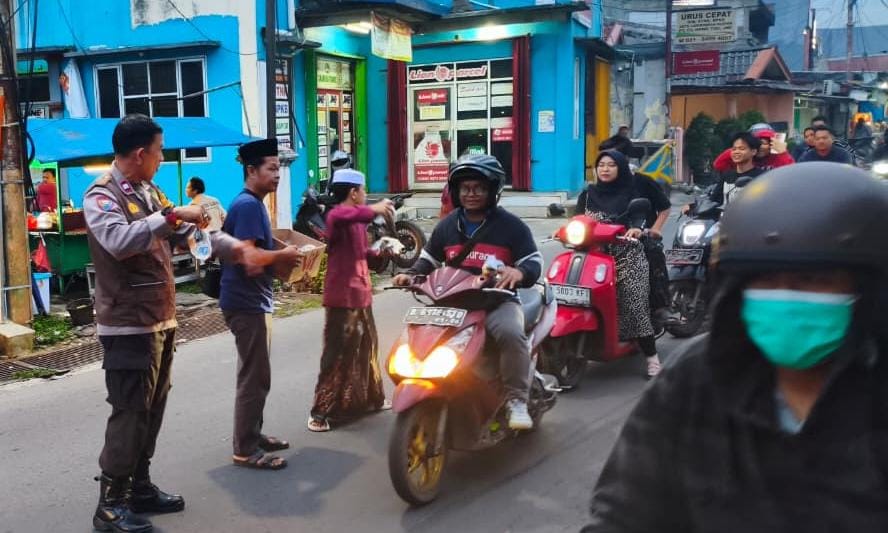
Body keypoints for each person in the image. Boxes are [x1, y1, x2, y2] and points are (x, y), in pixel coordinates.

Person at [582, 163, 888, 532]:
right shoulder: (696, 377)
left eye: (814, 279)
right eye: (766, 279)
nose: (785, 298)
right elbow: (623, 513)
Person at [84, 114, 260, 533]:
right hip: (127, 324)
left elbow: (183, 235)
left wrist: (234, 247)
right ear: (140, 154)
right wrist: (171, 215)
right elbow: (119, 241)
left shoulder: (150, 191)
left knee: (152, 409)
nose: (162, 159)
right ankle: (110, 504)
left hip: (159, 319)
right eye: (159, 151)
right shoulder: (101, 195)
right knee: (130, 411)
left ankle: (139, 488)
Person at [392, 154, 543, 429]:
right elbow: (429, 259)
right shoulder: (448, 225)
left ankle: (516, 400)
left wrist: (519, 272)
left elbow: (533, 261)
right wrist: (411, 274)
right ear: (456, 191)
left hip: (496, 302)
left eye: (479, 188)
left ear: (492, 190)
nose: (471, 194)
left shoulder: (511, 226)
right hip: (453, 303)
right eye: (465, 188)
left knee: (510, 333)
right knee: (418, 337)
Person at [221, 138, 304, 470]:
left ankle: (252, 435)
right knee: (254, 377)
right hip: (246, 303)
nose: (277, 175)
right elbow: (251, 260)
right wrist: (283, 256)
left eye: (279, 168)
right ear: (251, 170)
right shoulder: (249, 206)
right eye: (271, 168)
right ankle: (245, 449)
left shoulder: (251, 204)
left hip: (250, 300)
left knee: (255, 373)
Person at [307, 169, 394, 432]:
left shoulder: (357, 221)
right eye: (363, 190)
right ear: (354, 192)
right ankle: (319, 413)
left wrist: (381, 250)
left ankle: (373, 399)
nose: (365, 194)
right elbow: (349, 215)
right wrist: (376, 209)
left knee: (368, 348)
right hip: (341, 297)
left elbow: (361, 253)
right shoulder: (337, 216)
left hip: (361, 294)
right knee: (336, 354)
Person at [575, 150, 668, 378]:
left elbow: (642, 216)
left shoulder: (633, 192)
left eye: (611, 165)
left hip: (627, 252)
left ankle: (652, 357)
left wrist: (639, 229)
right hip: (592, 254)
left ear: (621, 168)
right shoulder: (587, 194)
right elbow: (576, 220)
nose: (605, 169)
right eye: (601, 165)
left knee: (632, 300)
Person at [712, 123, 794, 173]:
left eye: (763, 143)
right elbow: (718, 165)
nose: (759, 147)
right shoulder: (745, 158)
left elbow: (791, 173)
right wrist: (738, 149)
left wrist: (783, 153)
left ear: (771, 144)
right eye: (755, 143)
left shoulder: (777, 156)